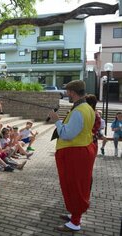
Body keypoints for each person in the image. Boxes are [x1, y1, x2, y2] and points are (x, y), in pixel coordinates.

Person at [48, 80, 96, 232]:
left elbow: (67, 134)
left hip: (75, 154)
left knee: (73, 186)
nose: (66, 94)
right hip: (81, 151)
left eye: (68, 92)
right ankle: (75, 215)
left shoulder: (79, 111)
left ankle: (75, 223)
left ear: (73, 93)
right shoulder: (87, 107)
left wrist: (56, 121)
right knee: (77, 185)